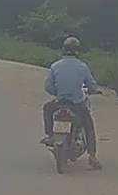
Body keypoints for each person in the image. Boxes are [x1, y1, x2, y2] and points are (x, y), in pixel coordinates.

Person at [40, 36, 102, 170]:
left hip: (59, 102)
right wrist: (94, 90)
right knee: (88, 126)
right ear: (78, 51)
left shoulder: (55, 66)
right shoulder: (82, 67)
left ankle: (50, 135)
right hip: (76, 104)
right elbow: (91, 85)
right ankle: (92, 157)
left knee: (46, 108)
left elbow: (48, 87)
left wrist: (58, 93)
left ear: (63, 50)